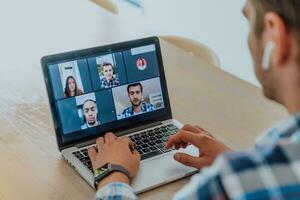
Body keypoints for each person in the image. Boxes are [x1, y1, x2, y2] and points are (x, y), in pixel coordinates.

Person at [88, 0, 300, 199]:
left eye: (249, 20)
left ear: (275, 36)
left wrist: (111, 173)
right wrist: (236, 160)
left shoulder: (228, 184)